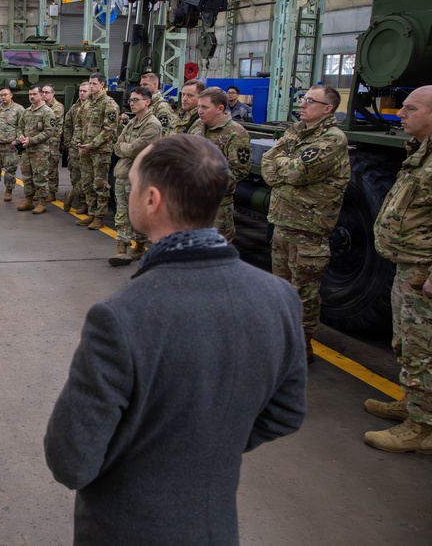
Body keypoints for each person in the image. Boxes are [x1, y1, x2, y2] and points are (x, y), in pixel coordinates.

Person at [45, 134, 307, 545]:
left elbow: (71, 459)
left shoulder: (121, 317)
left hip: (127, 528)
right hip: (215, 526)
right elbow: (286, 413)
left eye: (132, 185)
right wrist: (206, 450)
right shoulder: (279, 297)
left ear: (151, 200)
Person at [365, 85, 432, 453]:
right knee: (406, 342)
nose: (400, 114)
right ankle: (413, 402)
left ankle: (421, 428)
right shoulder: (421, 151)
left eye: (410, 108)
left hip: (423, 268)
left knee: (423, 349)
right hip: (408, 265)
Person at [261, 85, 350, 363]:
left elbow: (297, 172)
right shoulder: (297, 131)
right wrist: (282, 166)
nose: (303, 104)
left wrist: (281, 164)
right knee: (281, 288)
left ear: (328, 108)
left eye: (311, 101)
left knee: (304, 294)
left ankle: (301, 348)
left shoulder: (333, 140)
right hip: (284, 223)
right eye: (303, 99)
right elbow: (268, 166)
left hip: (308, 230)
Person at [108, 87, 162, 265]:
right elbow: (118, 145)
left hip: (139, 178)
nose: (132, 103)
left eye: (136, 100)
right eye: (131, 100)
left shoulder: (152, 125)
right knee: (122, 214)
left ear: (147, 102)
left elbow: (133, 150)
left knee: (139, 216)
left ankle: (140, 246)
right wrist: (126, 148)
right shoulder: (132, 122)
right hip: (123, 175)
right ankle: (122, 249)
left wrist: (125, 148)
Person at [192, 86, 251, 243]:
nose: (200, 111)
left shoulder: (235, 133)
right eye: (199, 106)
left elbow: (239, 170)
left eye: (205, 107)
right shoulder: (198, 126)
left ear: (220, 108)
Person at [75, 73, 121, 231]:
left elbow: (109, 129)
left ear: (102, 85)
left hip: (100, 150)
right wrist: (79, 142)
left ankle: (99, 216)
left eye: (94, 83)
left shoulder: (109, 104)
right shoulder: (87, 103)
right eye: (90, 83)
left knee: (100, 184)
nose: (91, 86)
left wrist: (92, 144)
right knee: (87, 183)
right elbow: (79, 122)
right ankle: (91, 211)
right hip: (85, 149)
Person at [16, 85, 56, 214]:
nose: (32, 97)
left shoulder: (47, 112)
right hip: (26, 150)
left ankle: (41, 202)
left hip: (40, 151)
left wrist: (31, 140)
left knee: (40, 177)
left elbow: (49, 131)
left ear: (41, 95)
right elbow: (20, 126)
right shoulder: (27, 112)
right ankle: (29, 200)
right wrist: (20, 136)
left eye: (34, 94)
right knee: (27, 177)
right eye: (30, 94)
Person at [62, 81, 89, 213]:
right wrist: (68, 143)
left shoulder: (94, 107)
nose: (82, 93)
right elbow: (67, 126)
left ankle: (71, 194)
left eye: (85, 91)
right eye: (81, 91)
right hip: (75, 147)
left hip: (89, 147)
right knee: (76, 176)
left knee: (88, 177)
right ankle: (83, 203)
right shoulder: (74, 108)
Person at [42, 83, 65, 201]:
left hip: (52, 142)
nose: (44, 95)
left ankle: (52, 192)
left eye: (47, 93)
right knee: (41, 167)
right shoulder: (41, 106)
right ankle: (41, 191)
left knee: (51, 168)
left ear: (53, 93)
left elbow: (50, 124)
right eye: (43, 92)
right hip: (42, 141)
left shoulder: (57, 107)